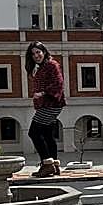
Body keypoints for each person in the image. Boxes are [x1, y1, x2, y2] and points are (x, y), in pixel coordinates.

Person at [25, 41, 65, 178]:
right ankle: (54, 166)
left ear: (44, 51)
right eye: (33, 54)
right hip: (47, 105)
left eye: (38, 52)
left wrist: (43, 93)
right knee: (47, 134)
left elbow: (58, 83)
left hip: (51, 105)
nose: (36, 55)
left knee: (33, 132)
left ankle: (47, 164)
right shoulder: (42, 67)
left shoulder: (51, 65)